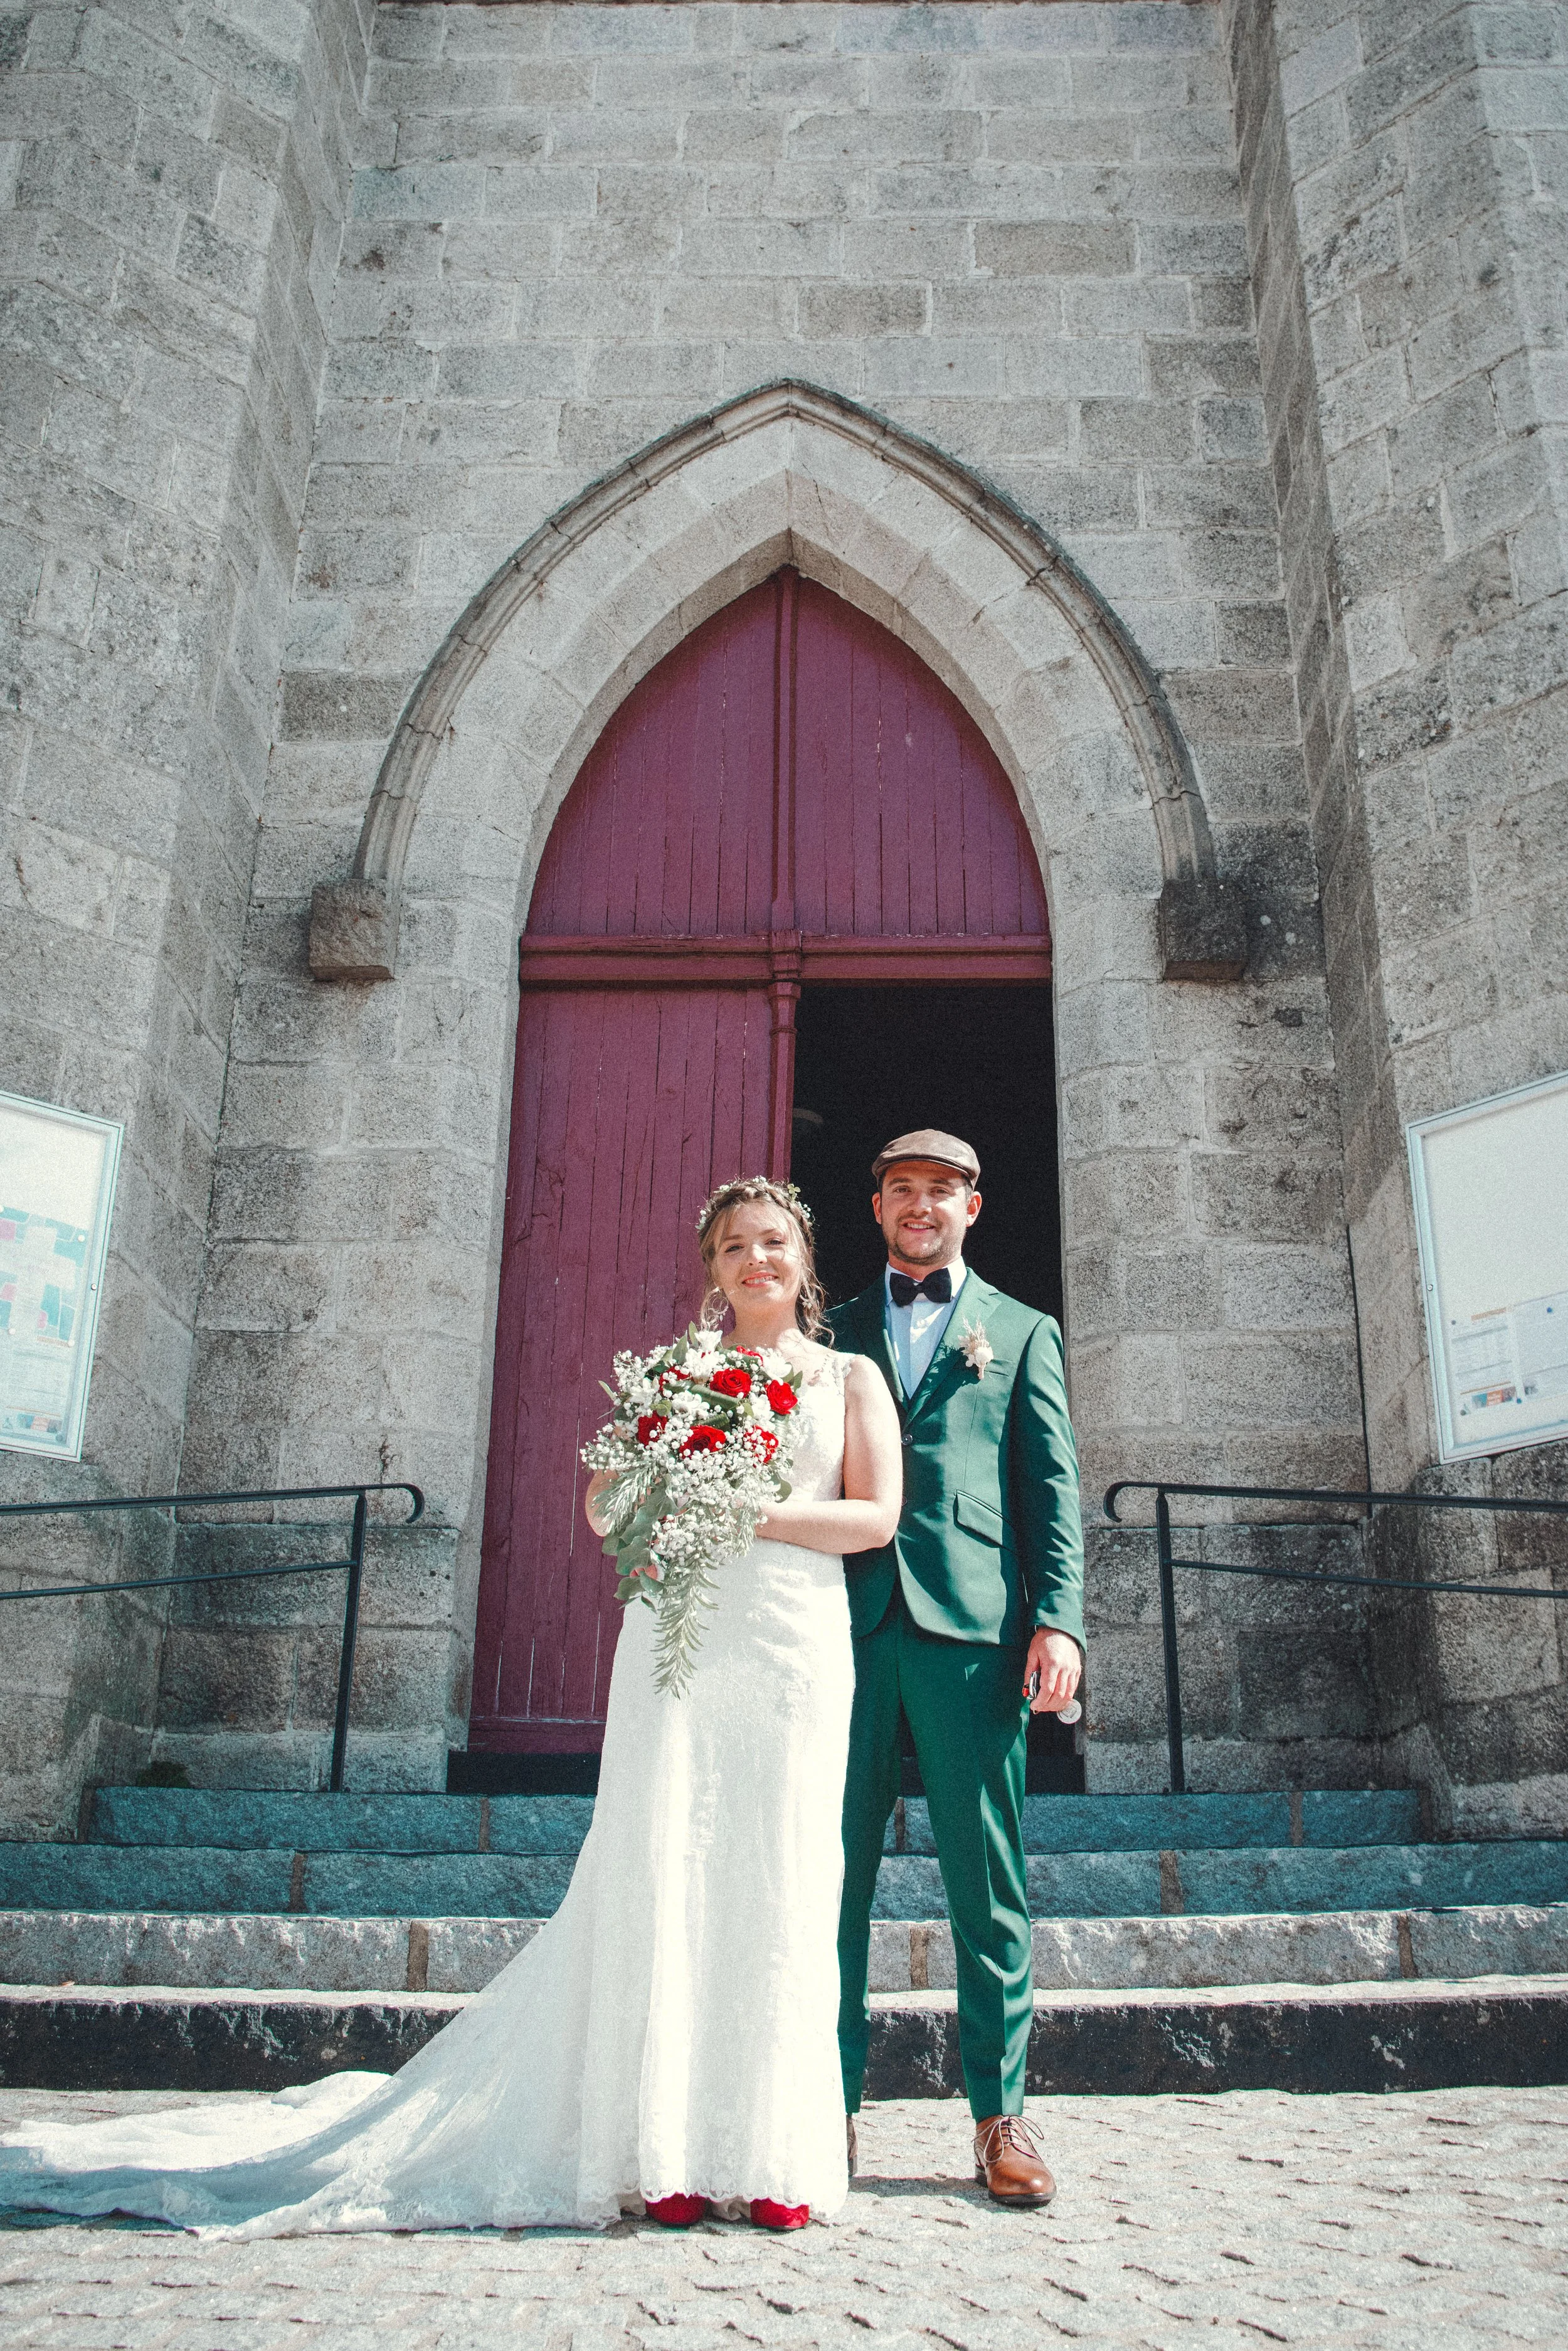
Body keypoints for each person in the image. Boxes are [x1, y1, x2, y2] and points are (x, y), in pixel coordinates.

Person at [0, 1177, 903, 2237]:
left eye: (776, 1243)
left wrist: (749, 1505)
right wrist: (665, 1496)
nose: (758, 1260)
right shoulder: (675, 1374)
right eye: (737, 1245)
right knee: (666, 1863)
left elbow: (876, 1517)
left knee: (780, 1870)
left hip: (792, 1649)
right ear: (712, 1266)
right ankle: (662, 2148)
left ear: (806, 1261)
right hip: (683, 1648)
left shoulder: (850, 1378)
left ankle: (772, 2152)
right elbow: (605, 1501)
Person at [827, 1130, 1084, 2208]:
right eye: (902, 1192)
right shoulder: (826, 1333)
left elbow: (1051, 1490)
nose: (921, 1207)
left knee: (988, 1885)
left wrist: (1059, 1620)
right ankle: (820, 2108)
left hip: (975, 1635)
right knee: (827, 1879)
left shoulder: (1022, 1333)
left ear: (974, 1208)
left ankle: (999, 2116)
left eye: (942, 1191)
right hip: (839, 1629)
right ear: (876, 1208)